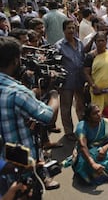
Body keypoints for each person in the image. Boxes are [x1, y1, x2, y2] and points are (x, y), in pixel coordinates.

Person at [0, 37, 60, 190]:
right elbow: (48, 117)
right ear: (15, 60)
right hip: (19, 172)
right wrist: (53, 95)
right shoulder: (16, 92)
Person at [55, 19, 85, 141]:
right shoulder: (58, 46)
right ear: (64, 30)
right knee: (66, 107)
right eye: (69, 28)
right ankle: (68, 132)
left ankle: (83, 128)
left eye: (73, 28)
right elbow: (56, 64)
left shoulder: (80, 43)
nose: (71, 30)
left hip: (80, 79)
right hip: (66, 81)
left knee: (81, 105)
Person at [83, 32, 108, 112]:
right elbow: (86, 72)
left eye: (102, 40)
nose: (101, 43)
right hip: (96, 91)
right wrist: (93, 86)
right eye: (98, 41)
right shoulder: (91, 56)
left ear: (106, 41)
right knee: (97, 112)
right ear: (95, 42)